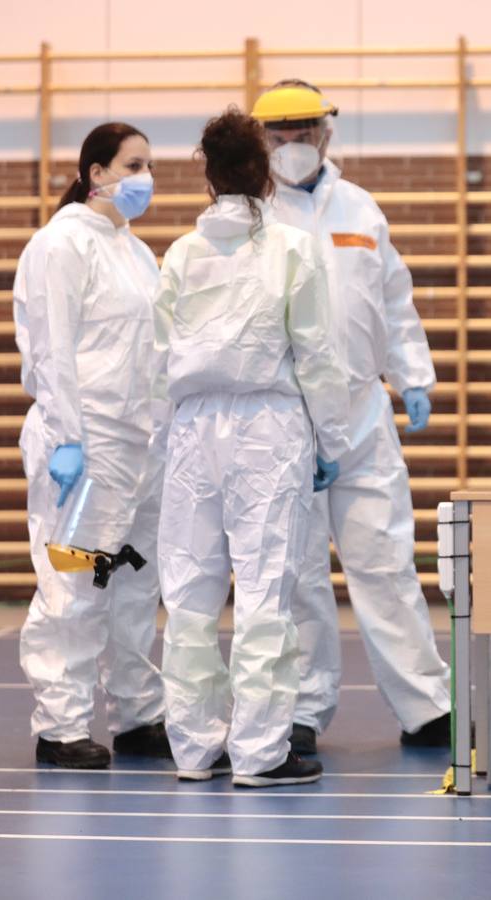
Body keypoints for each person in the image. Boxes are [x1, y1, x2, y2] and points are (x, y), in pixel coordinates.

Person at [249, 80, 452, 752]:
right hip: (287, 417)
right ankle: (303, 710)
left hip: (363, 414)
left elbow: (392, 301)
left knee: (387, 561)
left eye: (303, 131)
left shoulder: (362, 210)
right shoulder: (252, 216)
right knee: (299, 571)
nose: (291, 145)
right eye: (277, 135)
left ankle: (426, 706)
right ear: (260, 141)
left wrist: (412, 376)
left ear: (326, 133)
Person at [154, 109, 350, 787]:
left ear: (207, 176)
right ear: (264, 171)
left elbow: (156, 360)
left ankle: (194, 746)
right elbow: (318, 354)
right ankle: (263, 751)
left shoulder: (180, 253)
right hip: (268, 430)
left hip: (190, 431)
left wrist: (165, 440)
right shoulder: (293, 247)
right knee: (266, 587)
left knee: (188, 589)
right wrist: (332, 438)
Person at [14, 122, 170, 769]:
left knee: (134, 582)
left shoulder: (134, 251)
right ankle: (61, 726)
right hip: (86, 446)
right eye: (133, 165)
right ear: (95, 173)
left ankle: (136, 715)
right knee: (75, 581)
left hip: (139, 446)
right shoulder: (60, 245)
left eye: (149, 166)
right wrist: (67, 437)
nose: (145, 178)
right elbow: (50, 347)